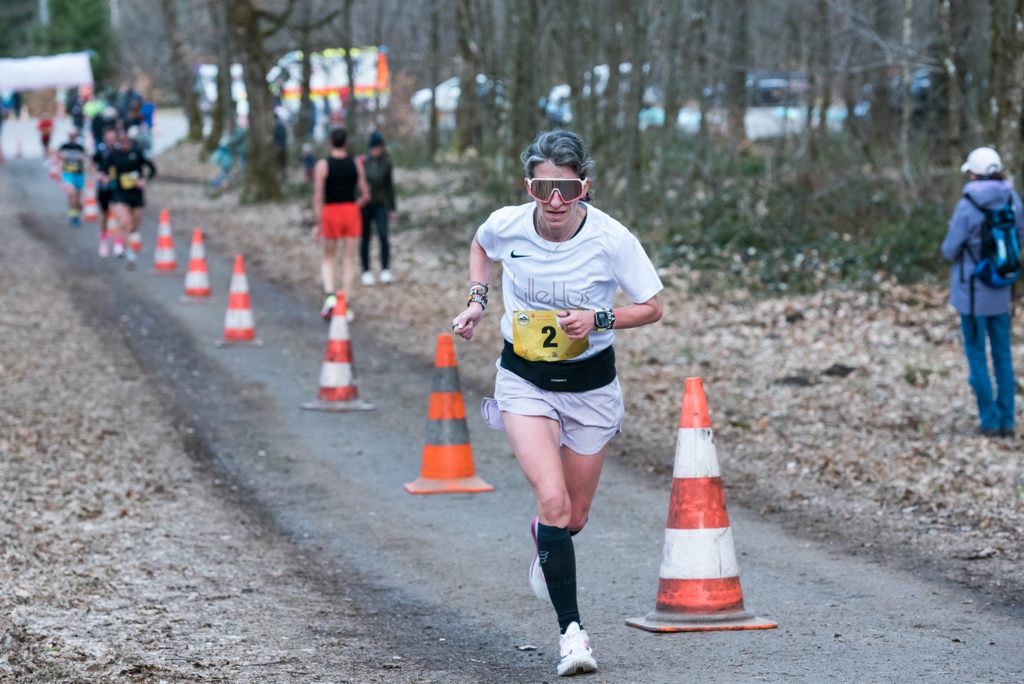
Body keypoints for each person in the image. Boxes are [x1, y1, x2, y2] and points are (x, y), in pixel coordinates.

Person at [451, 130, 663, 677]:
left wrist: (599, 319)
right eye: (544, 187)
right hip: (525, 380)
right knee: (553, 501)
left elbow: (652, 306)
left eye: (566, 188)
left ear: (583, 188)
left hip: (591, 387)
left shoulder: (612, 239)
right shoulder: (508, 224)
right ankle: (573, 635)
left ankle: (546, 541)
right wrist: (477, 301)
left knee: (574, 515)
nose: (554, 201)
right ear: (530, 186)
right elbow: (480, 244)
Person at [942, 146, 1022, 439]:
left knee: (977, 356)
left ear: (974, 172)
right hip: (1001, 292)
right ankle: (1007, 421)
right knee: (1002, 356)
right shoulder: (1012, 199)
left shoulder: (967, 205)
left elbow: (949, 248)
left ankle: (988, 421)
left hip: (972, 295)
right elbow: (1020, 236)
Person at [311, 127, 370, 321]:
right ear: (346, 142)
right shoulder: (356, 164)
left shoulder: (323, 165)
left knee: (328, 256)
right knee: (348, 260)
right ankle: (344, 301)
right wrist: (356, 205)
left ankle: (330, 296)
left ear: (330, 142)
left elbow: (318, 195)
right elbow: (366, 194)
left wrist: (316, 223)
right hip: (350, 212)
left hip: (331, 211)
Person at [109, 126, 157, 269]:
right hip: (120, 194)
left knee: (134, 226)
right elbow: (106, 169)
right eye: (121, 140)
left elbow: (152, 168)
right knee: (125, 223)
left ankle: (126, 242)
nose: (124, 143)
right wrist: (107, 179)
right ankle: (129, 251)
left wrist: (145, 180)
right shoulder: (114, 155)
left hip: (136, 195)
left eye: (126, 140)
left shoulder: (137, 153)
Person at [359, 131, 397, 285]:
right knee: (365, 238)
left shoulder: (386, 162)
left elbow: (389, 186)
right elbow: (357, 183)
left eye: (380, 147)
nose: (377, 150)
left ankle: (385, 270)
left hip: (381, 204)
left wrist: (392, 208)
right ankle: (366, 271)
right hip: (365, 205)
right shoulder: (362, 162)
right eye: (375, 147)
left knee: (383, 235)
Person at [93, 126, 119, 256]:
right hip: (103, 187)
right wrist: (99, 175)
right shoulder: (100, 150)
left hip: (117, 187)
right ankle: (104, 240)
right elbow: (92, 163)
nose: (111, 140)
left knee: (119, 213)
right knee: (105, 214)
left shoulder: (120, 150)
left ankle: (118, 241)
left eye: (113, 138)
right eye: (109, 138)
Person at [57, 129, 87, 228]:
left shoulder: (80, 146)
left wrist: (83, 157)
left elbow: (87, 158)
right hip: (68, 173)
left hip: (79, 174)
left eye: (74, 135)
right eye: (70, 135)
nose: (72, 137)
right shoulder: (64, 146)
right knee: (71, 193)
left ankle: (77, 215)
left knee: (78, 198)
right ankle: (72, 217)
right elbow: (57, 158)